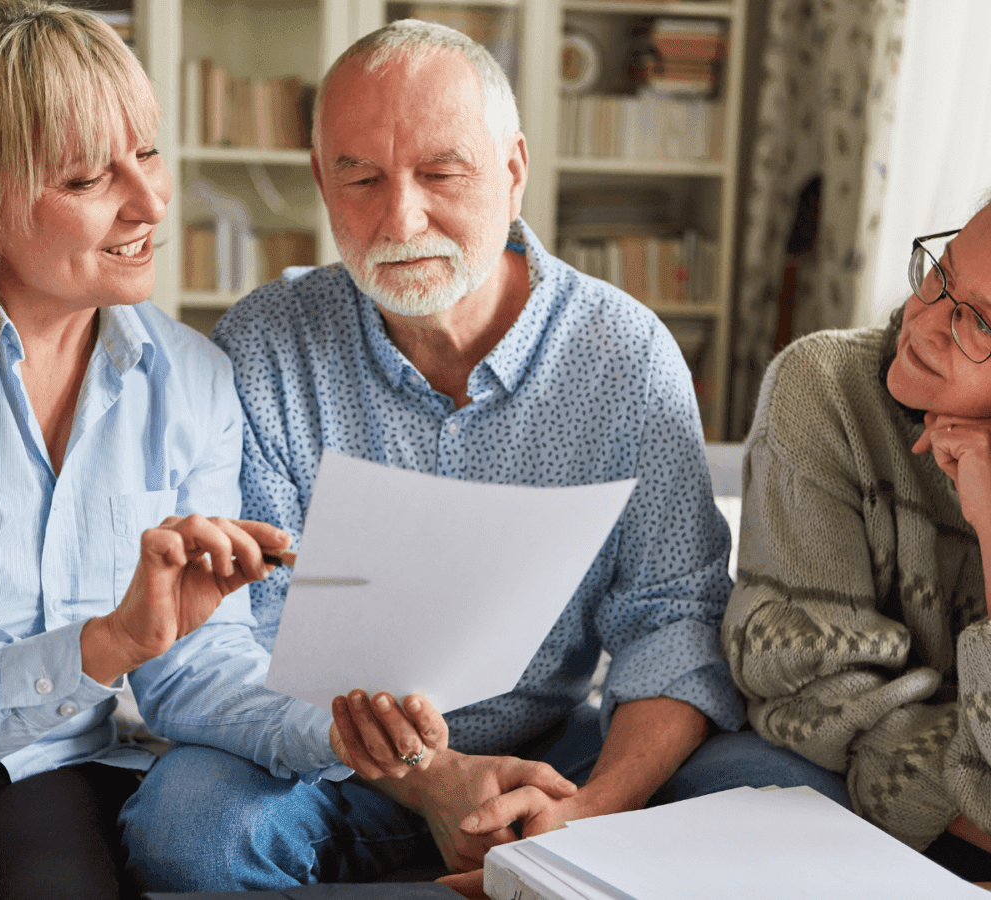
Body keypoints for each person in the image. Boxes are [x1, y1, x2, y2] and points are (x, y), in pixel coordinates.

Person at [120, 19, 851, 897]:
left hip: (554, 742)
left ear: (514, 170)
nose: (402, 218)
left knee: (794, 796)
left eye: (441, 174)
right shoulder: (267, 347)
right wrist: (435, 783)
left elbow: (671, 615)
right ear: (321, 178)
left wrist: (595, 809)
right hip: (333, 760)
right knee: (189, 828)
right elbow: (248, 639)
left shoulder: (622, 353)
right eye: (360, 177)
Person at [0, 3, 378, 897]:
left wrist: (336, 733)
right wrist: (103, 644)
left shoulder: (195, 381)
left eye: (150, 152)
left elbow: (200, 668)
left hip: (57, 776)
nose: (153, 201)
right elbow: (120, 651)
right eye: (90, 177)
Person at [722, 202, 991, 881]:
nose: (925, 324)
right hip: (917, 814)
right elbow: (818, 699)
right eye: (940, 276)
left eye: (981, 322)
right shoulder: (826, 390)